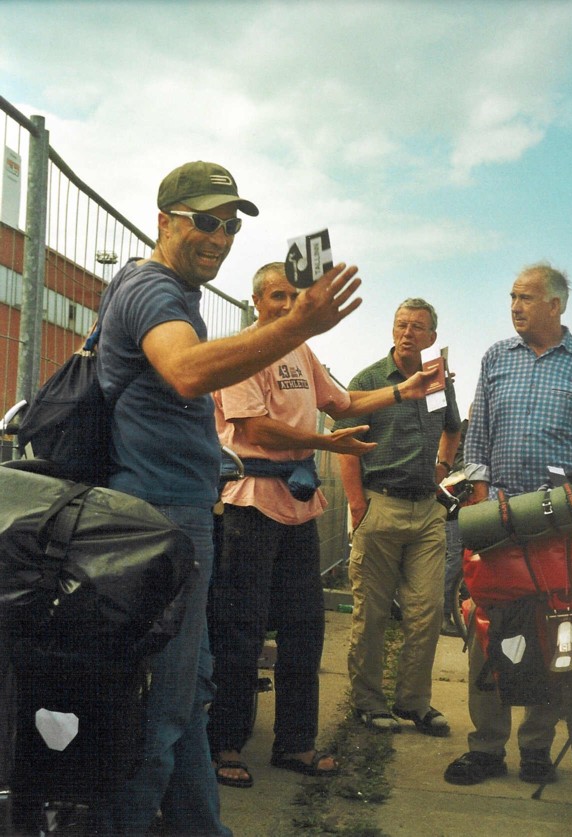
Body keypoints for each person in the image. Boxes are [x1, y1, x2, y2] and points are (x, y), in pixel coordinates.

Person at [94, 161, 366, 837]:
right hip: (161, 525)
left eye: (229, 223)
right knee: (162, 712)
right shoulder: (153, 289)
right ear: (165, 221)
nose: (219, 236)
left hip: (186, 518)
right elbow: (187, 371)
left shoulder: (175, 295)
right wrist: (295, 323)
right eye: (204, 221)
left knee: (190, 700)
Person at [208, 264, 438, 788]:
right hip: (251, 506)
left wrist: (406, 392)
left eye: (293, 297)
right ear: (255, 301)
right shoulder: (246, 351)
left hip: (296, 508)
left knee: (304, 632)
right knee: (240, 634)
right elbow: (255, 430)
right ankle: (225, 744)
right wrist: (325, 444)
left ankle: (295, 744)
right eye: (275, 296)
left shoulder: (301, 352)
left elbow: (344, 402)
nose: (287, 306)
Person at [444, 262, 572, 786]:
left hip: (560, 526)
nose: (515, 306)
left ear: (556, 305)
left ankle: (536, 747)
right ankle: (485, 748)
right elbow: (477, 438)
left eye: (527, 297)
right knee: (491, 632)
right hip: (500, 522)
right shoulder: (495, 358)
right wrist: (481, 511)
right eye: (512, 296)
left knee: (555, 634)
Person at [334, 298, 461, 735]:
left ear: (432, 337)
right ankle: (368, 702)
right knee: (371, 614)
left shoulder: (438, 382)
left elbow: (453, 427)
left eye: (418, 327)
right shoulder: (368, 381)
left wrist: (443, 467)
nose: (408, 332)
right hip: (379, 506)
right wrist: (357, 506)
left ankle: (414, 702)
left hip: (427, 511)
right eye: (401, 324)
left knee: (427, 612)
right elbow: (344, 443)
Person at [440, 416, 469, 637]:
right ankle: (442, 616)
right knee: (455, 560)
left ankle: (456, 611)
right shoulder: (463, 432)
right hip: (456, 507)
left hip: (466, 508)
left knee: (461, 560)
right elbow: (457, 468)